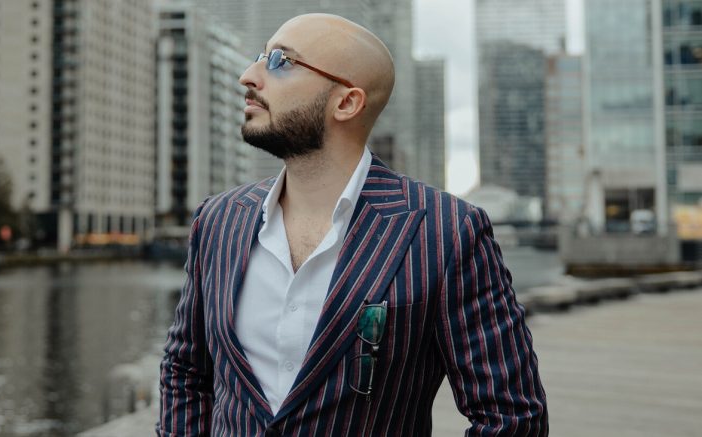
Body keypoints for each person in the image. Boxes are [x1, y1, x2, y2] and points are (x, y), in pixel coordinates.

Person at [158, 13, 548, 436]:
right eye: (260, 57)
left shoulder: (446, 232)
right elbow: (186, 372)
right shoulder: (219, 221)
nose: (248, 76)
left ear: (346, 103)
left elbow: (512, 419)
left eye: (280, 61)